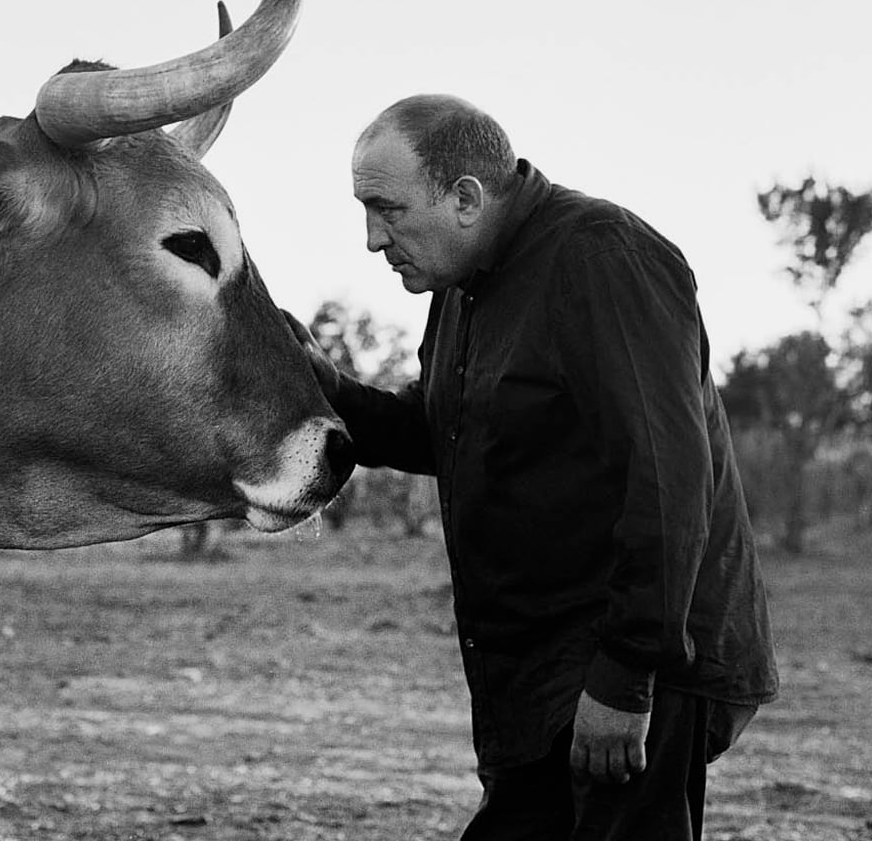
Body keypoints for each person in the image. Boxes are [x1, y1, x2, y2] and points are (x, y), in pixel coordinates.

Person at [298, 94, 778, 840]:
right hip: (544, 669)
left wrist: (625, 677)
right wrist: (325, 389)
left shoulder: (602, 256)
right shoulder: (466, 285)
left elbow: (667, 476)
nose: (371, 239)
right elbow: (447, 435)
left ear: (464, 197)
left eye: (385, 209)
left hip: (634, 660)